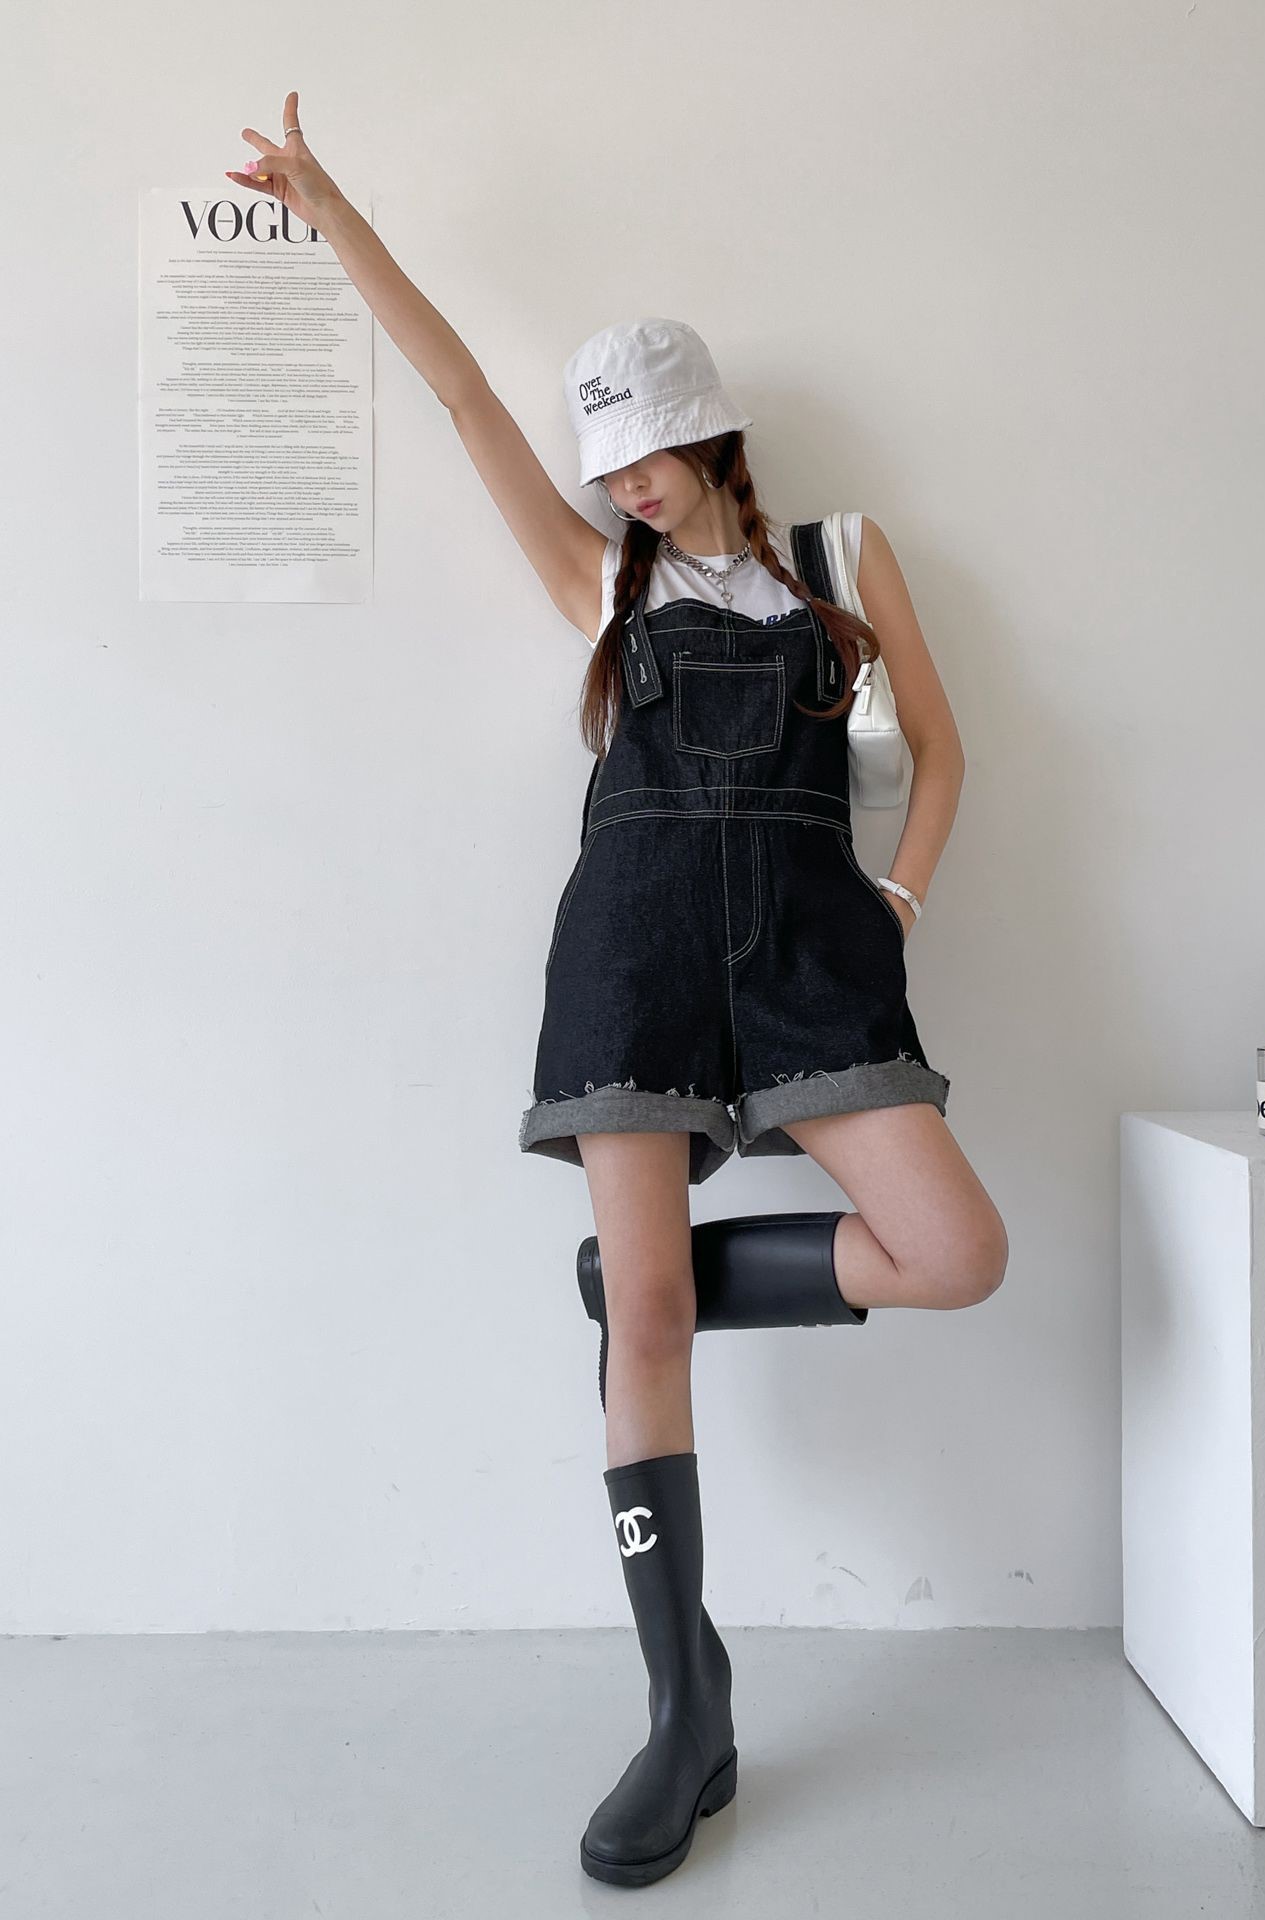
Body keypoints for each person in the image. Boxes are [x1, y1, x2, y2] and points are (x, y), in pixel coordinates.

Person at [227, 95, 1010, 1891]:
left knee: (957, 1252)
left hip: (815, 955)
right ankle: (684, 1709)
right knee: (647, 1332)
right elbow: (460, 398)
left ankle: (641, 1282)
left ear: (708, 427)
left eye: (649, 446)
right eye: (610, 459)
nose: (626, 480)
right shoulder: (603, 580)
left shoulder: (843, 559)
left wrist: (894, 899)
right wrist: (332, 212)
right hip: (635, 952)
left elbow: (948, 753)